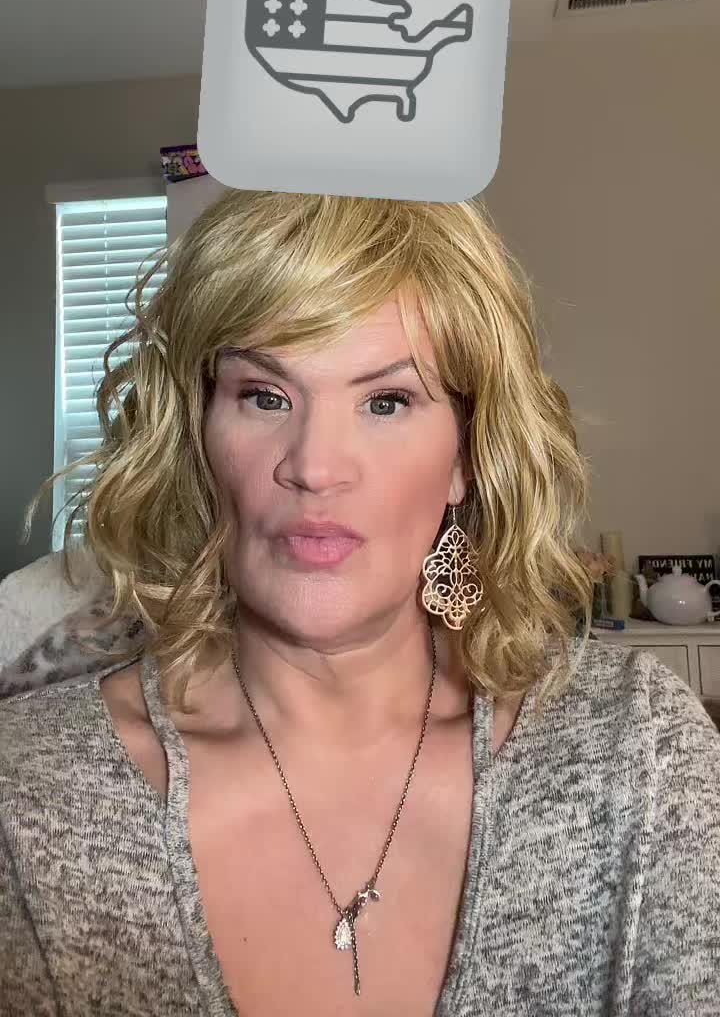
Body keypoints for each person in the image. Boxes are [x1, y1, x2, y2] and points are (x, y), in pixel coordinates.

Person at [1, 188, 718, 1017]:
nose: (315, 466)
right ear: (197, 437)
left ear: (465, 456)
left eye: (386, 401)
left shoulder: (638, 756)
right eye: (264, 396)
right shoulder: (29, 789)